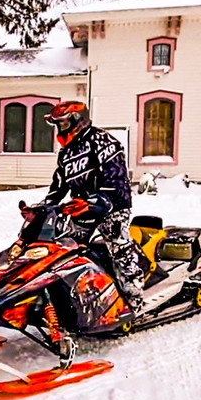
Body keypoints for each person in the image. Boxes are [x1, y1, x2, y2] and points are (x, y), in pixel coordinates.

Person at [32, 100, 149, 309]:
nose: (60, 129)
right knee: (64, 246)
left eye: (63, 124)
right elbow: (58, 186)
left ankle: (134, 294)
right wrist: (42, 208)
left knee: (117, 242)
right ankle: (71, 294)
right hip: (81, 207)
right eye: (58, 125)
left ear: (78, 121)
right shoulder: (66, 153)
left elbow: (117, 180)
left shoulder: (104, 142)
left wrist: (97, 201)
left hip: (112, 206)